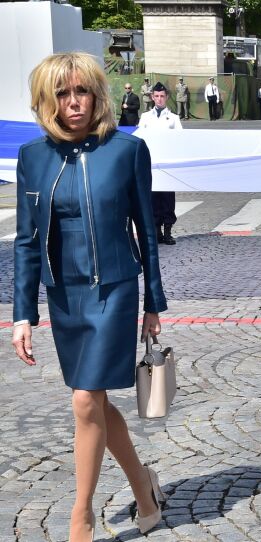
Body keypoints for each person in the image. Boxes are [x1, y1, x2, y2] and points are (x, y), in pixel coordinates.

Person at [11, 52, 167, 542]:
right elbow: (24, 240)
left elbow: (147, 229)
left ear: (98, 95)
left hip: (115, 289)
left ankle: (80, 518)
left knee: (84, 399)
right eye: (62, 93)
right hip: (64, 295)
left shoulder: (127, 151)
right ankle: (144, 487)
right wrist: (22, 314)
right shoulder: (33, 157)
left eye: (81, 91)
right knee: (93, 401)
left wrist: (152, 303)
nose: (73, 102)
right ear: (47, 100)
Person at [138, 82, 182, 245]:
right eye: (156, 96)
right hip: (151, 163)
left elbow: (179, 139)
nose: (159, 99)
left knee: (167, 198)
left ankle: (168, 231)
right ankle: (156, 231)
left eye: (162, 96)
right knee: (152, 197)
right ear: (152, 97)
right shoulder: (145, 117)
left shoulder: (174, 118)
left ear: (167, 97)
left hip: (167, 163)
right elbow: (140, 139)